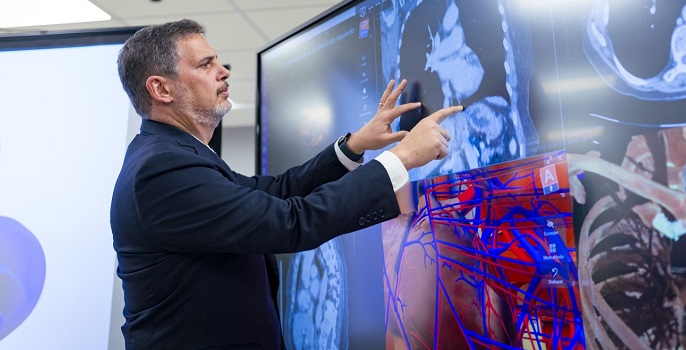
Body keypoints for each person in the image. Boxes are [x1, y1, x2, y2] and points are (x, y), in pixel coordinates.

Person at [110, 19, 463, 349]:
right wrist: (400, 160)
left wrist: (354, 145)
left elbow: (276, 192)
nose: (224, 71)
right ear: (161, 88)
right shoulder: (162, 170)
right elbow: (289, 223)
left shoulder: (179, 155)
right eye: (205, 65)